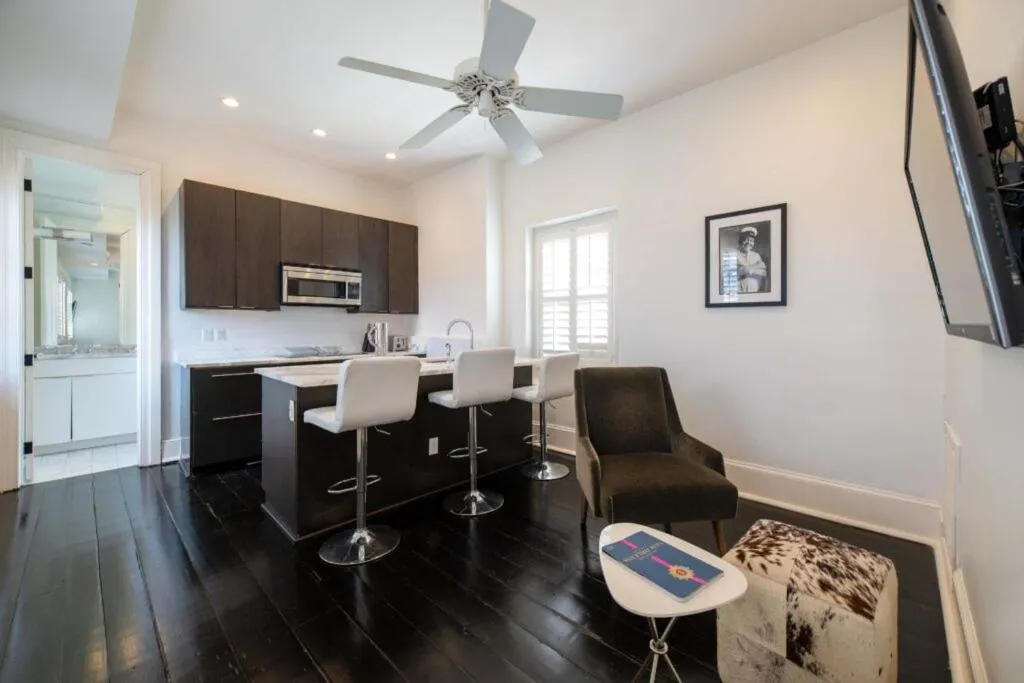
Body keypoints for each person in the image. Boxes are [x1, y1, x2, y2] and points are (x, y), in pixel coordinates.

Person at [735, 226, 767, 293]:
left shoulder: (756, 255)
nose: (749, 243)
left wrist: (748, 269)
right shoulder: (734, 254)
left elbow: (764, 273)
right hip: (739, 293)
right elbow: (737, 272)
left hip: (754, 292)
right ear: (741, 240)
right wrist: (756, 267)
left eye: (752, 241)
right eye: (746, 239)